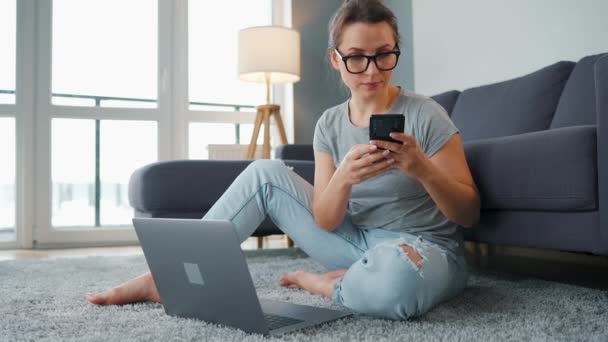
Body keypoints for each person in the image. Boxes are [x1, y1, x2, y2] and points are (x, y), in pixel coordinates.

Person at [86, 0, 480, 321]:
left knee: (396, 290)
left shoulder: (426, 114)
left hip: (424, 249)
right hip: (355, 241)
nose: (372, 71)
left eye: (383, 56)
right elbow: (326, 221)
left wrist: (421, 168)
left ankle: (329, 285)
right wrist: (342, 179)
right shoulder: (329, 123)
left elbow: (468, 213)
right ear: (335, 59)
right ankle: (165, 277)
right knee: (263, 172)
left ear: (396, 52)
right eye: (357, 58)